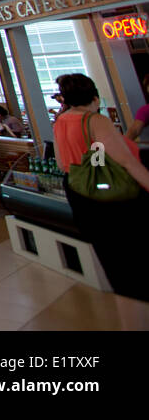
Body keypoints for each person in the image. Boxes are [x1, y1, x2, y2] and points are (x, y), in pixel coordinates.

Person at [52, 73, 149, 301]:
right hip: (110, 196)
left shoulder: (61, 121)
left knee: (116, 266)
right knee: (136, 263)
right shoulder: (95, 120)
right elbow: (126, 161)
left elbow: (61, 162)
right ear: (94, 98)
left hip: (78, 192)